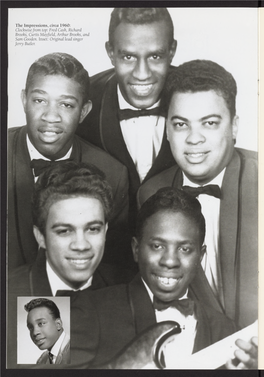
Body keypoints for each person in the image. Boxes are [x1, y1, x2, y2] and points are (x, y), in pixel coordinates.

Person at [69, 188, 257, 369]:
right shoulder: (84, 308)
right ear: (136, 249)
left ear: (200, 256)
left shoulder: (227, 331)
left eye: (185, 249)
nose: (170, 261)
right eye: (157, 246)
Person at [137, 60, 258, 328]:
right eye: (181, 124)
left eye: (210, 123)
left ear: (234, 126)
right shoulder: (150, 193)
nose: (194, 139)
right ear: (167, 129)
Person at [8, 52, 130, 271]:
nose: (51, 116)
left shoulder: (113, 175)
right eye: (39, 100)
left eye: (66, 105)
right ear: (24, 100)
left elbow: (112, 270)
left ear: (83, 112)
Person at [7, 161, 134, 368]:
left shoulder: (128, 288)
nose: (81, 245)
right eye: (64, 231)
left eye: (92, 229)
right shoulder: (7, 296)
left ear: (106, 230)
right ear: (40, 237)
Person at [76, 8, 177, 228]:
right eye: (128, 56)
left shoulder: (197, 96)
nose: (142, 74)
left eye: (155, 56)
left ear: (172, 51)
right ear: (110, 52)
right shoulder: (80, 101)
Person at [25, 298, 70, 365]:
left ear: (58, 324)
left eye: (41, 323)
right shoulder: (42, 360)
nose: (35, 332)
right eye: (30, 327)